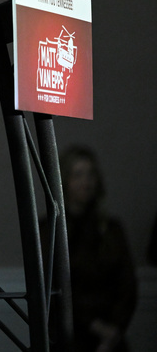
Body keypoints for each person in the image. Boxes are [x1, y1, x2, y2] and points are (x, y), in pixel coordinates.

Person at [61, 144, 138, 352]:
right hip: (70, 337)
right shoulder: (53, 231)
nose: (86, 182)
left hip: (112, 337)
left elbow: (127, 285)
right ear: (65, 180)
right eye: (78, 175)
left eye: (90, 174)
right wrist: (94, 326)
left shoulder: (110, 229)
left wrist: (113, 331)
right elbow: (56, 288)